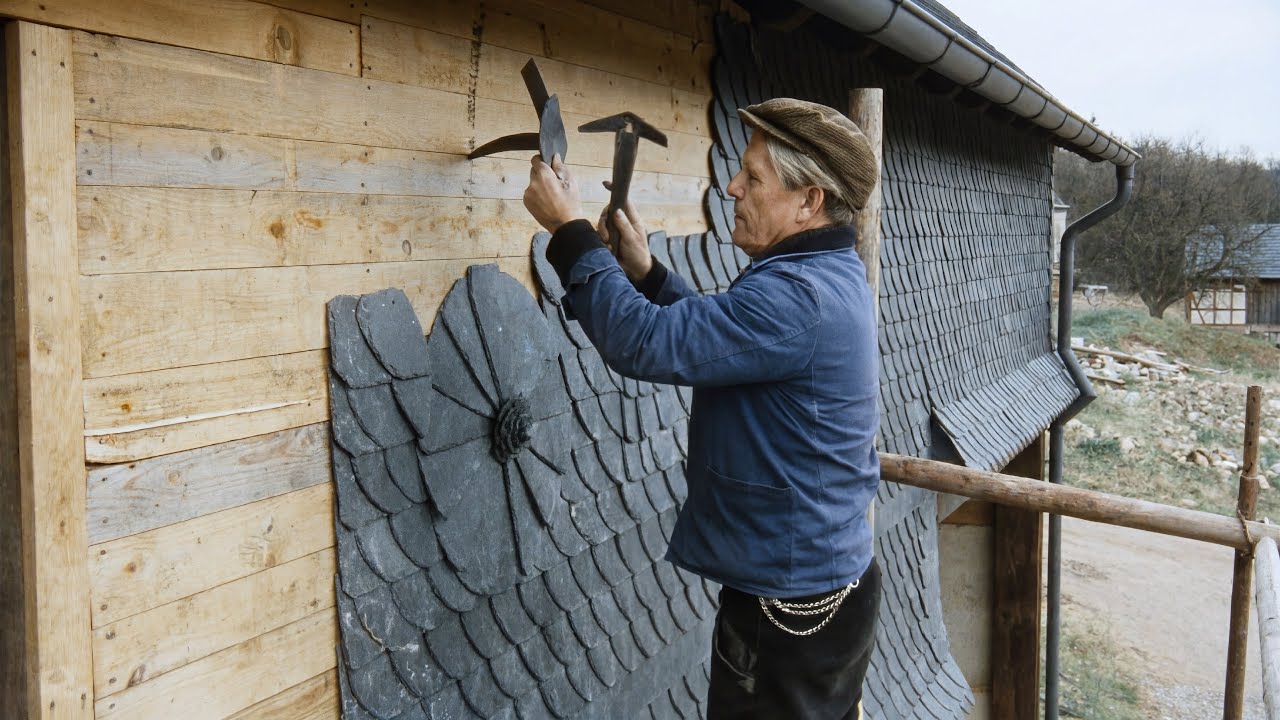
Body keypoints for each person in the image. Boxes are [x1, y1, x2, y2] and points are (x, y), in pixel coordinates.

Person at [523, 98, 882, 720]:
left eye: (753, 177)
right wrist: (647, 274)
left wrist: (570, 232)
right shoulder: (820, 273)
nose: (732, 185)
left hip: (790, 613)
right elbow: (735, 343)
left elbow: (646, 343)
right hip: (813, 590)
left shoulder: (799, 295)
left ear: (809, 202)